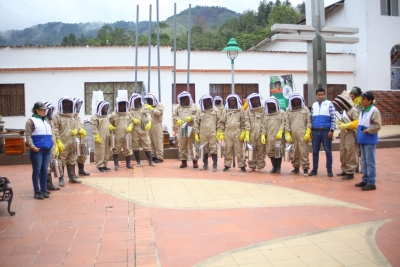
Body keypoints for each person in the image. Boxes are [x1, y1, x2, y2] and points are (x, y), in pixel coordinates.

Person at [25, 102, 53, 200]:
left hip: (47, 149)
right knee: (37, 170)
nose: (44, 111)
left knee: (44, 170)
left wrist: (52, 143)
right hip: (37, 150)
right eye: (42, 110)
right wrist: (32, 146)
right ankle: (37, 191)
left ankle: (44, 189)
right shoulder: (31, 121)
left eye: (45, 110)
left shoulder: (47, 121)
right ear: (37, 110)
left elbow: (51, 133)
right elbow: (28, 135)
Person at [355, 91, 381, 191]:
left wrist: (368, 130)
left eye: (364, 99)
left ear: (370, 101)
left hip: (369, 139)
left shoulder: (374, 111)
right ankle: (365, 179)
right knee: (364, 161)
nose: (362, 101)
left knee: (370, 162)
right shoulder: (362, 110)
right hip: (362, 138)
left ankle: (371, 182)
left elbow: (377, 125)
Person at [53, 97, 82, 185]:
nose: (67, 104)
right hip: (62, 142)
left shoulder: (73, 115)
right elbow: (55, 129)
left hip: (72, 142)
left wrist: (76, 130)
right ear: (62, 104)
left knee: (72, 159)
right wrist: (58, 141)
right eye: (65, 103)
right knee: (61, 161)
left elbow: (77, 125)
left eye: (68, 103)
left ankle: (72, 177)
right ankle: (61, 179)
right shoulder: (57, 116)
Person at [332, 91, 359, 180]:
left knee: (350, 151)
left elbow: (357, 123)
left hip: (351, 134)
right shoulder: (344, 111)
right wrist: (341, 123)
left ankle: (350, 172)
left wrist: (347, 125)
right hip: (344, 133)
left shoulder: (353, 110)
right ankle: (344, 169)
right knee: (343, 151)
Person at [308, 88, 335, 177]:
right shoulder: (314, 105)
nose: (321, 96)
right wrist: (311, 130)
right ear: (316, 95)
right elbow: (311, 119)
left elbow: (333, 118)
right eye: (319, 95)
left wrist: (332, 130)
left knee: (328, 151)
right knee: (315, 152)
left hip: (326, 131)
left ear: (324, 95)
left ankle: (329, 170)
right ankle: (314, 169)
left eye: (322, 94)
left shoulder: (329, 104)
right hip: (315, 131)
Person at [285, 93, 311, 176]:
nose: (296, 101)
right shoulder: (288, 110)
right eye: (294, 100)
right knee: (294, 152)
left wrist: (308, 132)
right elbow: (287, 123)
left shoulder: (305, 109)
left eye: (297, 99)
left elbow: (308, 121)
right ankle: (296, 168)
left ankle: (305, 168)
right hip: (293, 135)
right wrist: (287, 133)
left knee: (304, 151)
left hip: (303, 134)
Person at [219, 94, 246, 172]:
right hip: (228, 133)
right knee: (228, 150)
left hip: (238, 133)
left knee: (239, 150)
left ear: (236, 101)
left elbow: (243, 121)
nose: (232, 102)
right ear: (228, 102)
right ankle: (227, 165)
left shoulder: (240, 110)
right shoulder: (225, 110)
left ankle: (242, 165)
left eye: (233, 101)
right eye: (230, 101)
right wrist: (222, 132)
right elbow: (222, 122)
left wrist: (243, 131)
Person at [194, 94, 220, 172]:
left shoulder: (215, 110)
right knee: (204, 149)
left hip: (213, 132)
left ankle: (215, 165)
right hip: (203, 132)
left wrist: (219, 130)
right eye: (205, 100)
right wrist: (196, 132)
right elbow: (196, 122)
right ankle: (205, 165)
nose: (207, 102)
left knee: (214, 149)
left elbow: (219, 120)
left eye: (208, 100)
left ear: (210, 101)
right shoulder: (199, 110)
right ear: (202, 101)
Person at [172, 91, 198, 168]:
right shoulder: (177, 107)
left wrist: (192, 118)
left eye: (186, 99)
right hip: (182, 127)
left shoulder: (194, 106)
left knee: (192, 144)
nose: (185, 100)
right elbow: (174, 116)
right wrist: (177, 120)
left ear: (189, 98)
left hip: (191, 127)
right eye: (183, 99)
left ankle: (195, 161)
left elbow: (198, 115)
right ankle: (183, 161)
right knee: (182, 144)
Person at [129, 93, 155, 167]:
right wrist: (132, 119)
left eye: (138, 100)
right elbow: (127, 116)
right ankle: (138, 162)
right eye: (135, 100)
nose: (137, 101)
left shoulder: (143, 107)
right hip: (134, 128)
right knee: (135, 145)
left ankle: (150, 161)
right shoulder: (129, 108)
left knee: (147, 143)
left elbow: (148, 114)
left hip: (143, 126)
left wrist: (149, 121)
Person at [261, 96, 285, 174]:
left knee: (278, 152)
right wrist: (263, 134)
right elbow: (263, 125)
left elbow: (284, 122)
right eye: (270, 104)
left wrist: (281, 131)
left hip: (278, 136)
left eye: (272, 104)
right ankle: (274, 167)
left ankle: (278, 168)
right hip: (269, 136)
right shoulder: (266, 114)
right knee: (271, 152)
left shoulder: (281, 112)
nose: (271, 105)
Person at [109, 98, 134, 170]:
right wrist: (110, 126)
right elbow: (109, 122)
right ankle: (116, 165)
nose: (122, 107)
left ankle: (128, 164)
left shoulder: (128, 113)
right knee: (116, 150)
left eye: (124, 105)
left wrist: (130, 126)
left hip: (127, 134)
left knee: (128, 149)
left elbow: (132, 122)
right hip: (117, 135)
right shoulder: (114, 114)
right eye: (121, 105)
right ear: (118, 105)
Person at [244, 93, 266, 172]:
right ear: (250, 101)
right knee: (251, 150)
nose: (255, 101)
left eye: (256, 99)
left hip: (260, 134)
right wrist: (247, 132)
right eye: (253, 100)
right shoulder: (248, 111)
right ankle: (252, 165)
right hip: (251, 134)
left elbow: (264, 122)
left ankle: (260, 165)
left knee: (261, 150)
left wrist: (263, 133)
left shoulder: (263, 110)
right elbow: (246, 121)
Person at [43, 101, 60, 191]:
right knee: (45, 166)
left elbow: (54, 133)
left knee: (50, 165)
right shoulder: (42, 121)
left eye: (51, 110)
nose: (50, 112)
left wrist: (57, 143)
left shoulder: (50, 120)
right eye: (49, 110)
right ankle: (44, 186)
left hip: (52, 146)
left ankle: (50, 184)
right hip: (45, 147)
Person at [90, 100, 111, 172]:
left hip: (107, 136)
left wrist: (111, 127)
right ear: (99, 107)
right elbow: (94, 127)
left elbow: (109, 124)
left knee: (107, 151)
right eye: (103, 107)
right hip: (99, 137)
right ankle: (100, 166)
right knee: (100, 151)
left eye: (105, 107)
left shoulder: (107, 116)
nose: (104, 108)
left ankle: (104, 164)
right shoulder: (95, 117)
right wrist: (96, 135)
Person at [144, 93, 164, 163]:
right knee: (151, 141)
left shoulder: (159, 105)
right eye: (147, 100)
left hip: (157, 125)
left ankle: (160, 157)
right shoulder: (147, 106)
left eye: (150, 99)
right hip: (149, 125)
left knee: (158, 141)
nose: (149, 101)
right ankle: (153, 156)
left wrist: (152, 109)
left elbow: (159, 113)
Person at [72, 98, 90, 177]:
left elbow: (80, 125)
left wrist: (82, 130)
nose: (78, 108)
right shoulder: (70, 117)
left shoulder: (78, 117)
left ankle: (81, 170)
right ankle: (72, 173)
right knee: (72, 157)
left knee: (83, 155)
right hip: (73, 140)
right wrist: (78, 130)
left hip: (80, 139)